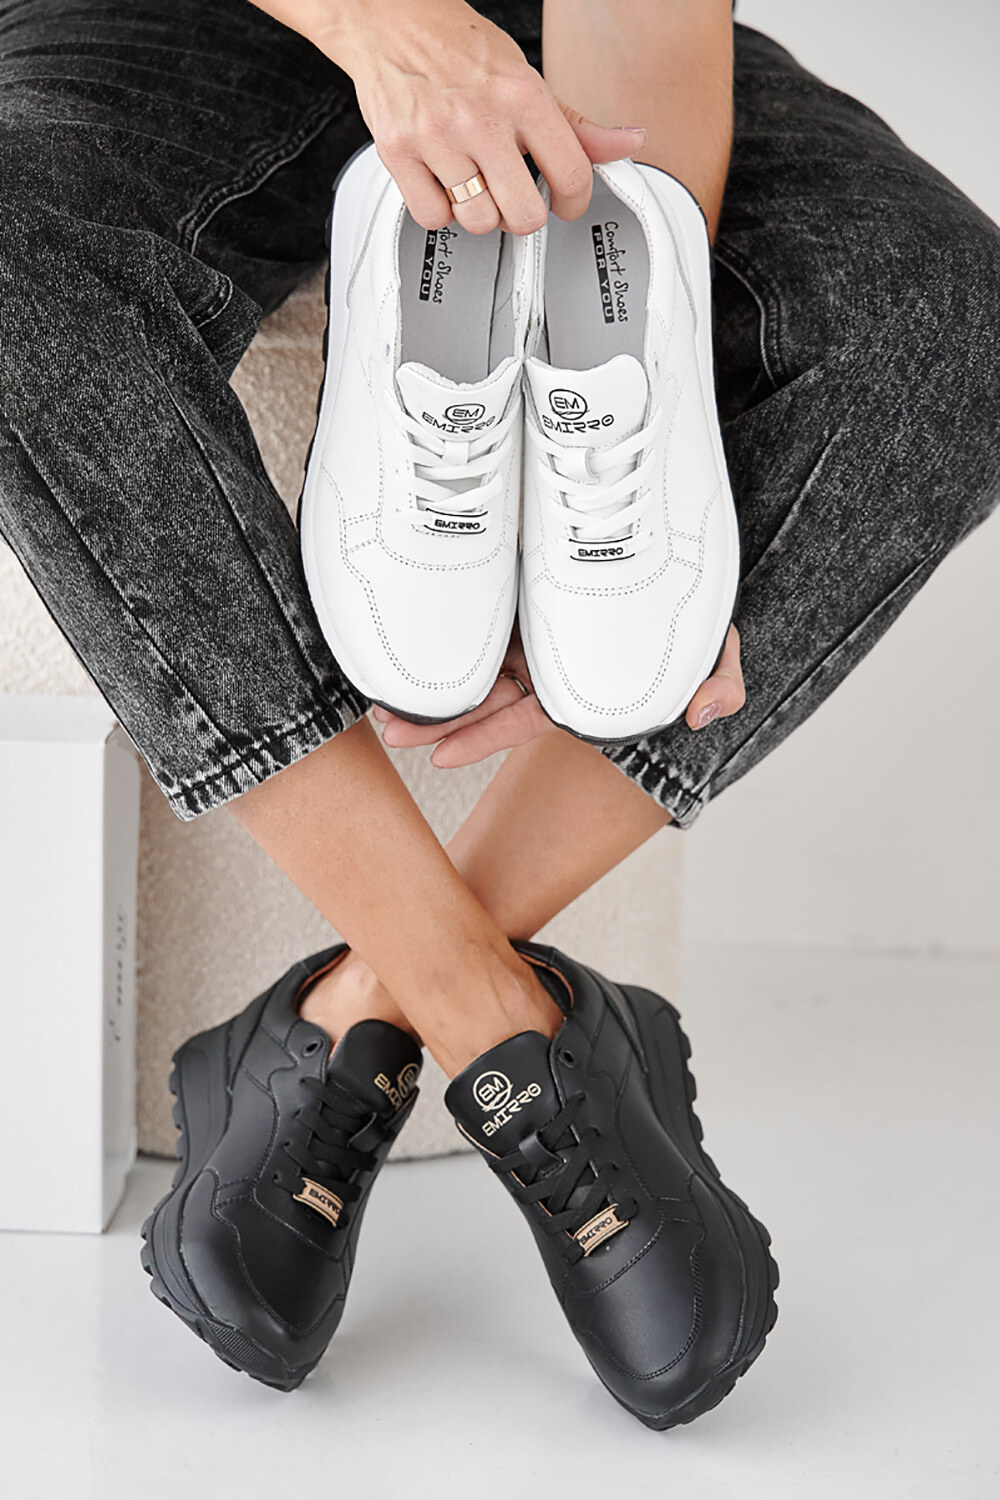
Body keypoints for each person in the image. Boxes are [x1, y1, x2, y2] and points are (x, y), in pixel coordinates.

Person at [3, 0, 998, 1425]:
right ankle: (487, 1019)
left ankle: (355, 1008)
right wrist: (383, 27)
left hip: (550, 53)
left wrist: (629, 450)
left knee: (944, 328)